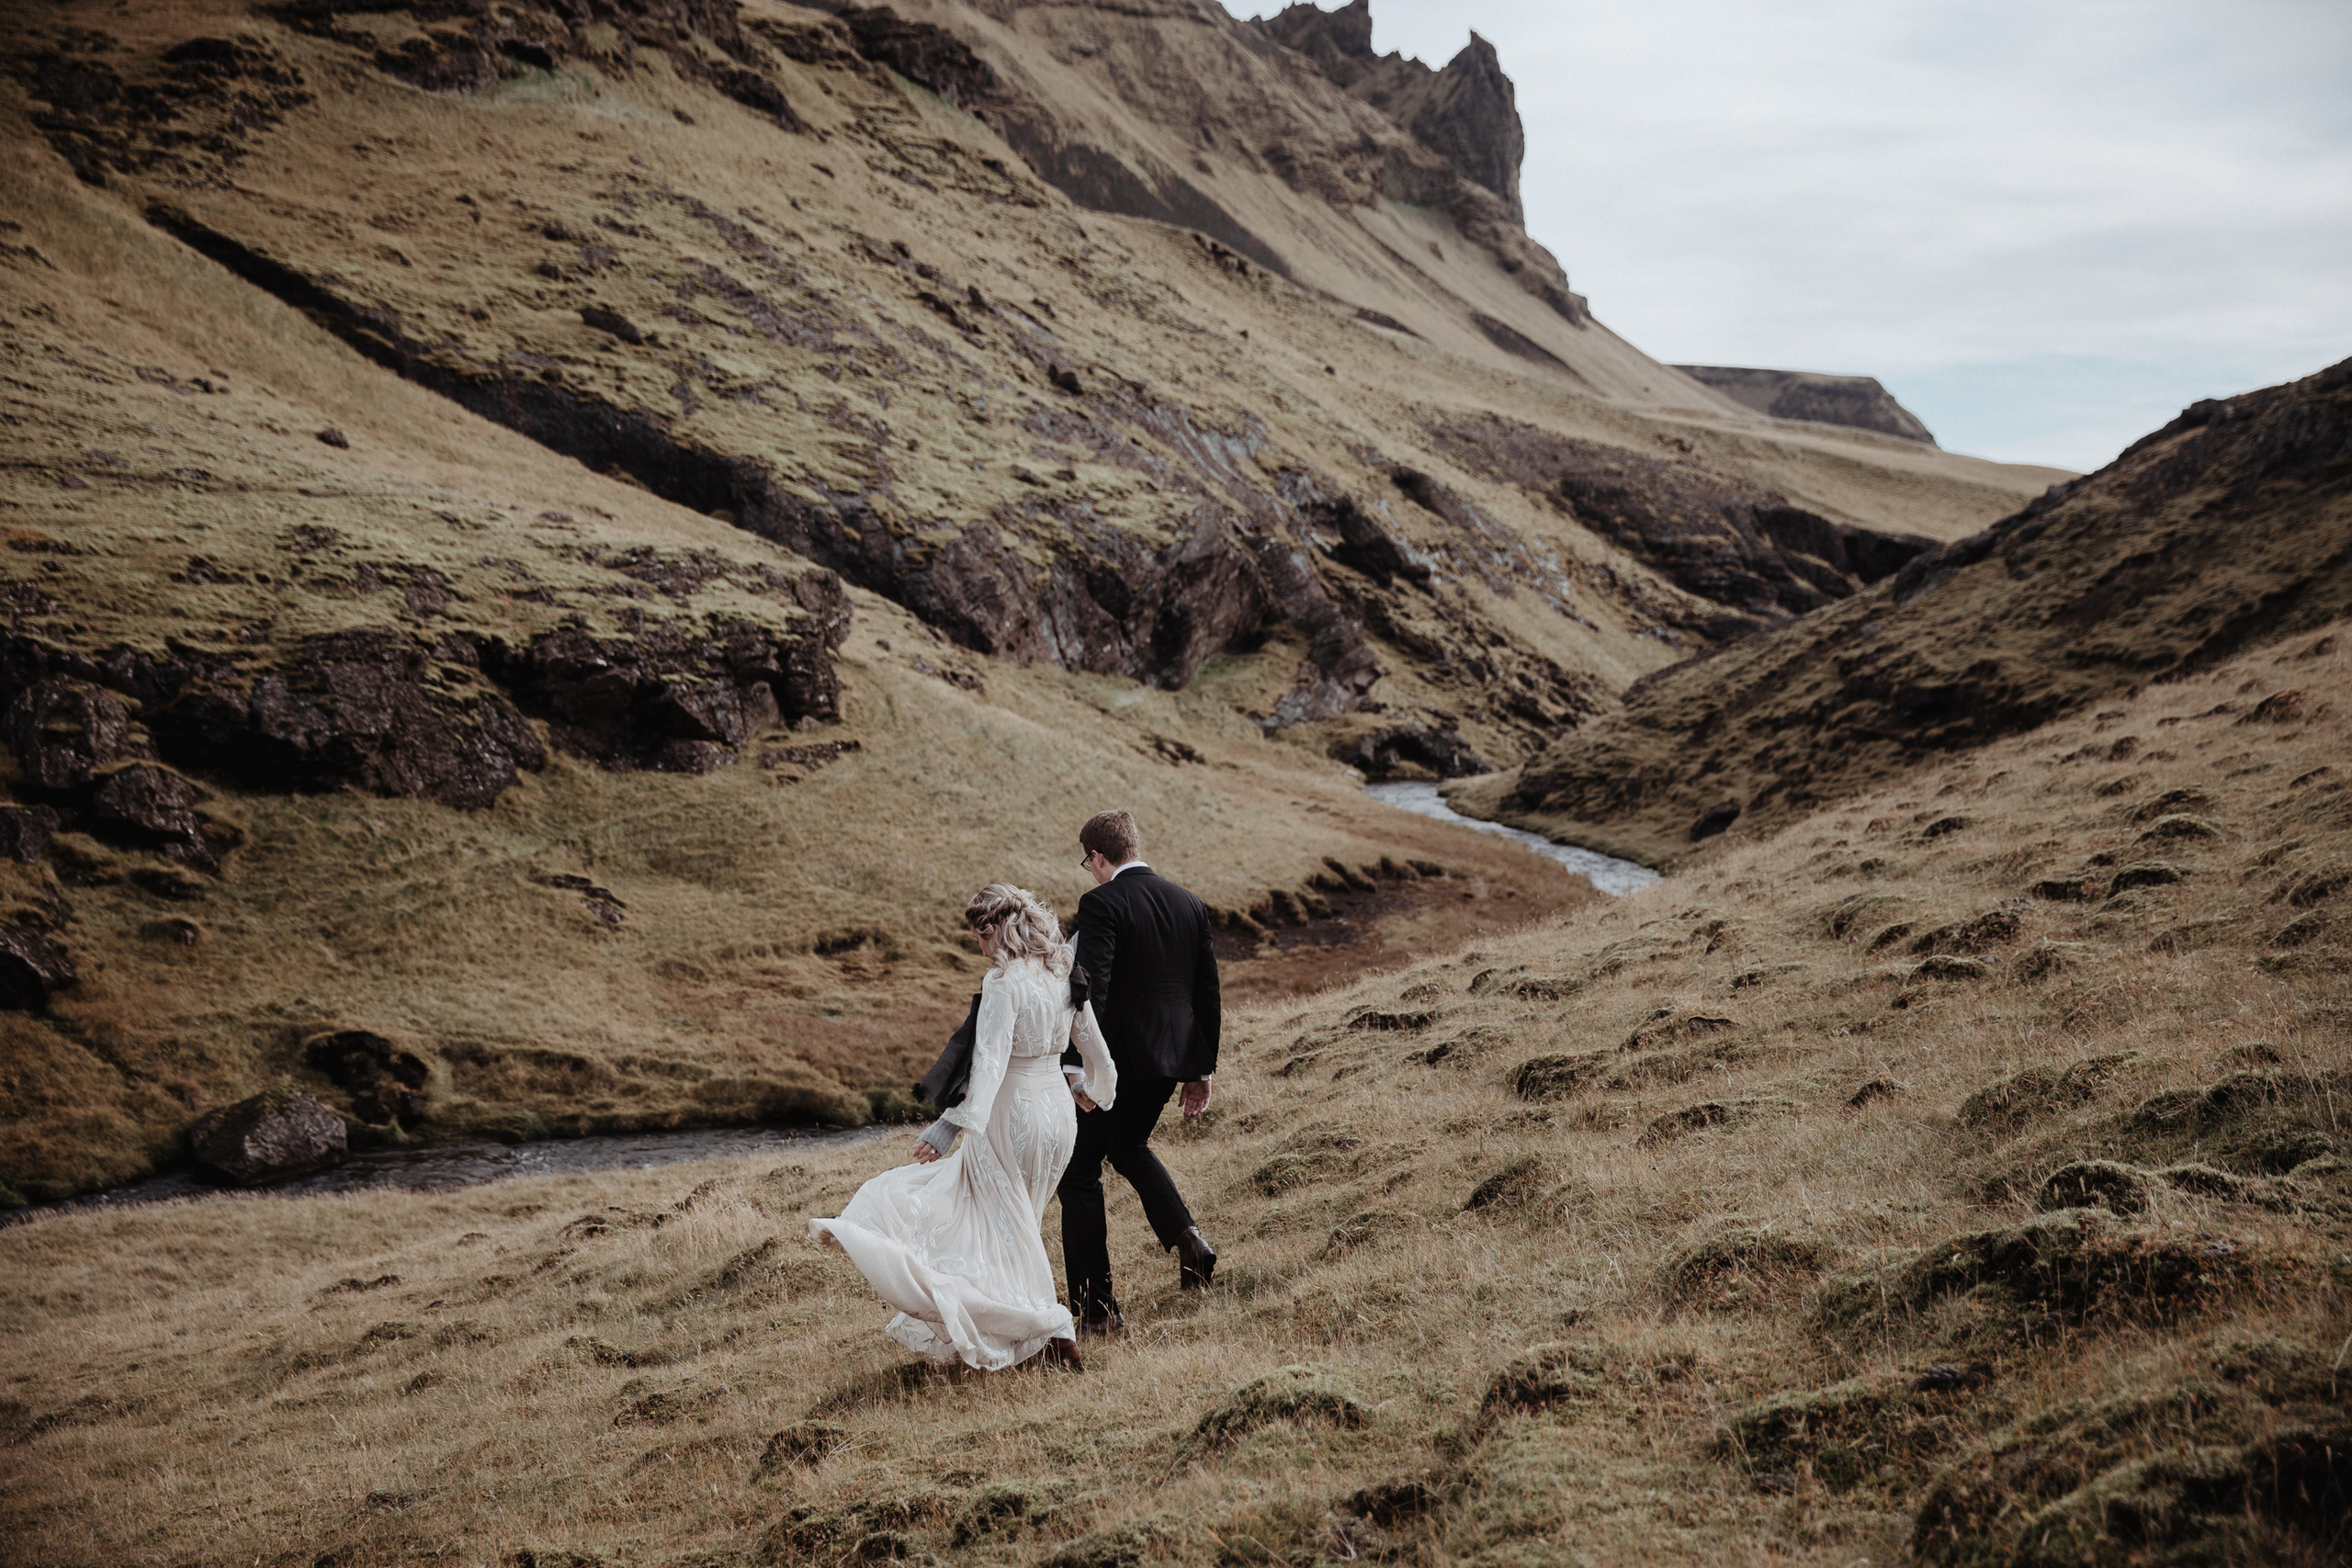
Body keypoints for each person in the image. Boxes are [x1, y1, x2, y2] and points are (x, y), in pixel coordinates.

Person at [808, 885, 1117, 1371]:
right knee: (1019, 1224)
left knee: (1007, 1224)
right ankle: (1024, 1342)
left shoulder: (1003, 982)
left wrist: (949, 1126)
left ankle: (1054, 1332)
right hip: (1058, 1115)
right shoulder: (1063, 970)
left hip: (1009, 1116)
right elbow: (1096, 1049)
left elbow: (990, 1065)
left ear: (992, 930)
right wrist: (1097, 1091)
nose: (979, 947)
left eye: (979, 935)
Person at [1058, 809, 1220, 1337]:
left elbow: (1093, 987)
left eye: (1089, 863)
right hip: (1170, 1062)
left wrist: (1081, 1066)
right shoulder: (1188, 902)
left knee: (1077, 1171)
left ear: (1099, 857)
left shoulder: (1102, 902)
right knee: (1128, 1147)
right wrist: (1200, 1069)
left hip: (1120, 1061)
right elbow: (1205, 995)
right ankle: (1190, 1241)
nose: (1090, 871)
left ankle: (1098, 1312)